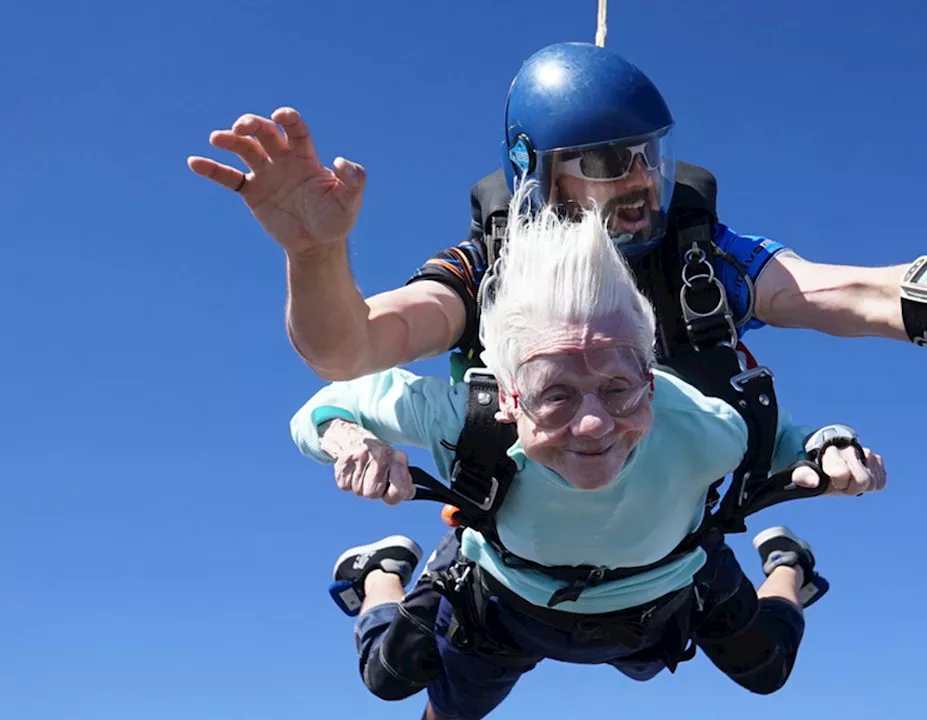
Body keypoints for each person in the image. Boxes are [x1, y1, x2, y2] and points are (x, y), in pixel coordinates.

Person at [188, 42, 927, 395]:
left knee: (743, 653)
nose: (627, 191)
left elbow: (880, 295)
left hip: (669, 535)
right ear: (529, 179)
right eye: (590, 170)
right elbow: (350, 350)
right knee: (458, 660)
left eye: (640, 163)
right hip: (521, 529)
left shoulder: (706, 257)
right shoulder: (488, 262)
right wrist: (319, 257)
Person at [288, 189, 883, 719]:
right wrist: (355, 442)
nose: (595, 423)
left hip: (664, 591)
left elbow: (775, 436)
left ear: (650, 381)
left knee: (767, 671)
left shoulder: (703, 424)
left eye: (619, 388)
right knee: (389, 678)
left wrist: (829, 445)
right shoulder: (462, 415)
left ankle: (787, 568)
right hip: (505, 597)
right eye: (556, 394)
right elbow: (319, 411)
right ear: (509, 399)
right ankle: (379, 574)